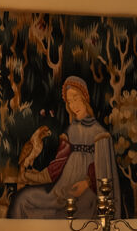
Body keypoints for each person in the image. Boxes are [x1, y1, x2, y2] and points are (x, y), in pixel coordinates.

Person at [9, 75, 117, 219]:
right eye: (69, 101)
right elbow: (57, 167)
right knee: (22, 199)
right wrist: (31, 176)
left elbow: (104, 172)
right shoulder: (70, 132)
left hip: (88, 193)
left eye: (76, 98)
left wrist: (86, 183)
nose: (73, 105)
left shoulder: (100, 134)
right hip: (60, 192)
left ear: (85, 98)